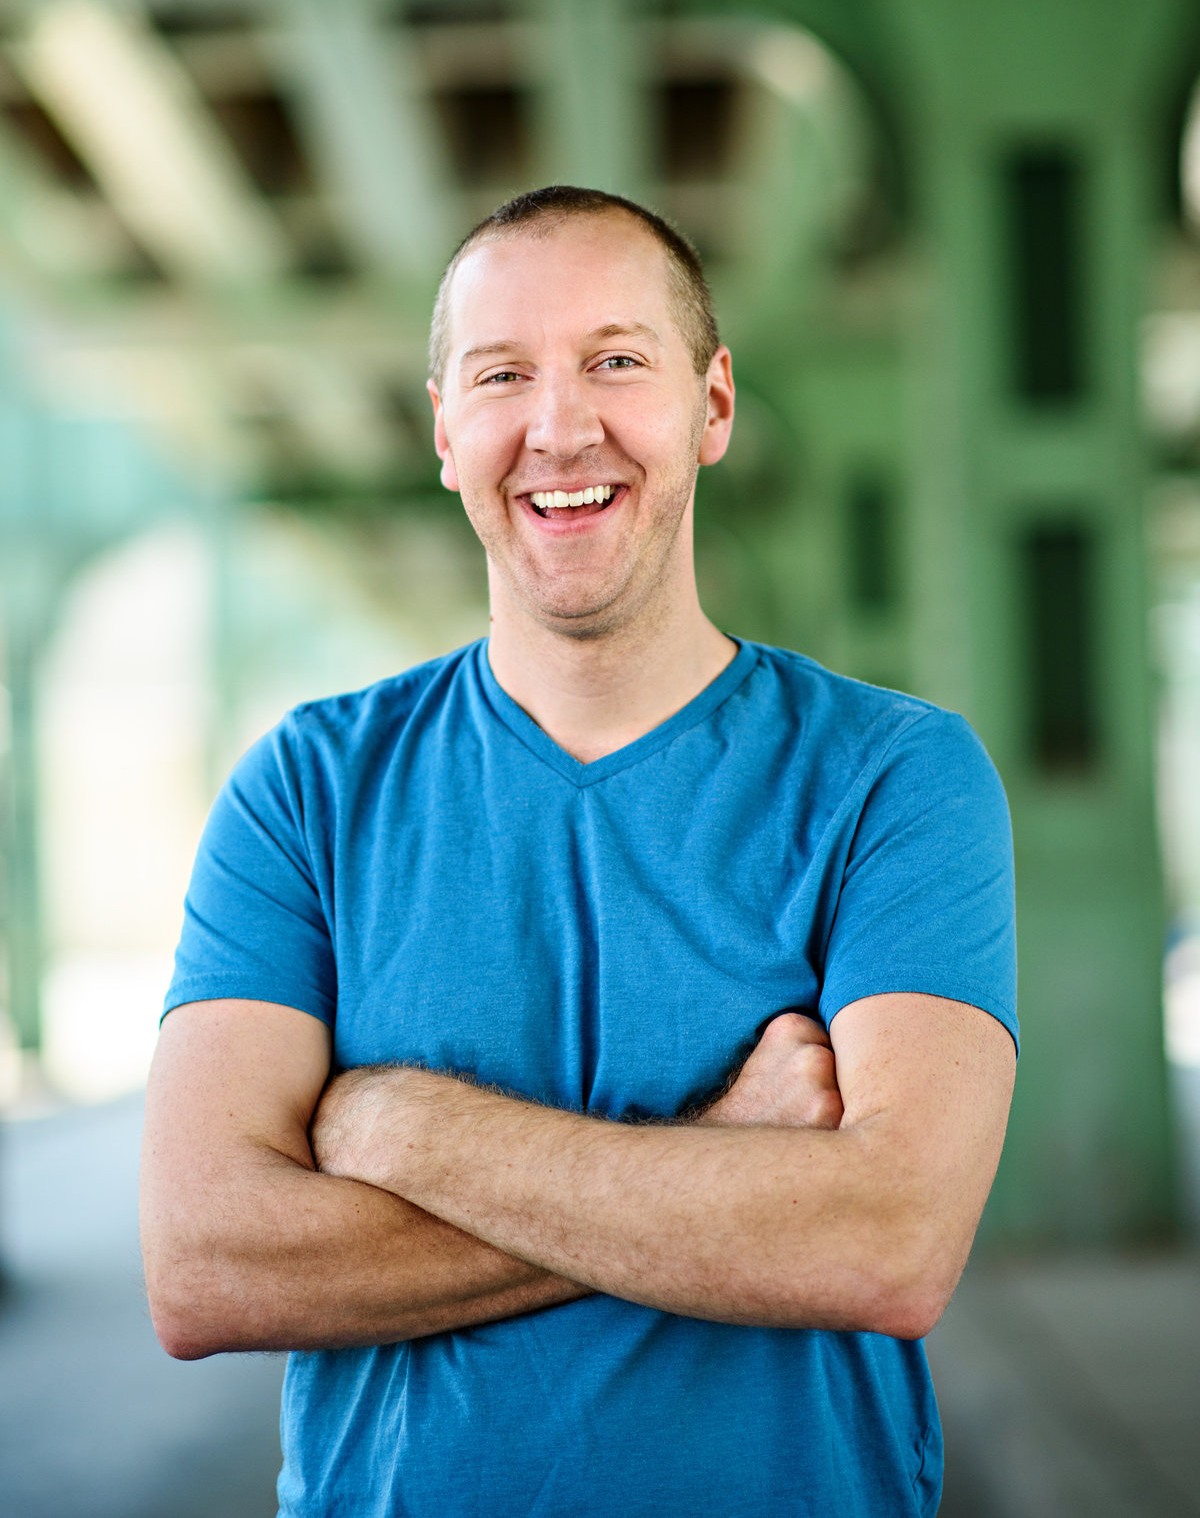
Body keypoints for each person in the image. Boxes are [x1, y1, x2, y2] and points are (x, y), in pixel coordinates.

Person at [141, 185, 1017, 1518]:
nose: (561, 426)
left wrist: (405, 1126)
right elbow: (207, 1267)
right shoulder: (306, 791)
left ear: (712, 405)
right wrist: (722, 1149)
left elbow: (890, 1240)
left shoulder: (894, 776)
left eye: (617, 360)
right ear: (444, 430)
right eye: (502, 375)